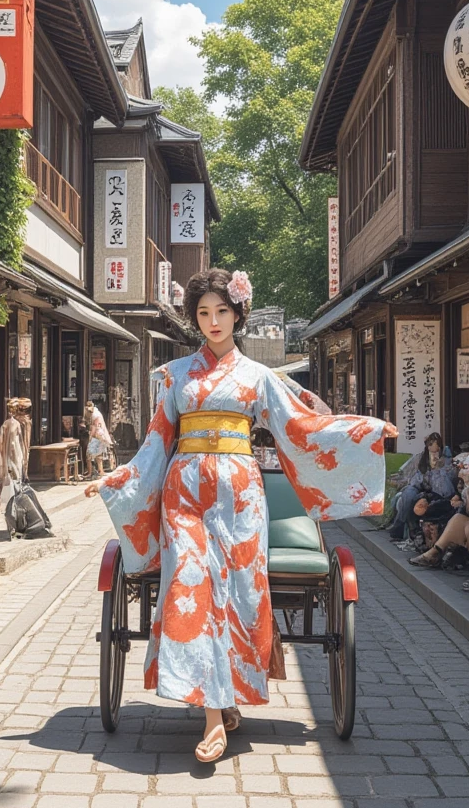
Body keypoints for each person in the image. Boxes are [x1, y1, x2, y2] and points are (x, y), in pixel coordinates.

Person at [85, 267, 396, 764]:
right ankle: (212, 714)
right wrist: (117, 478)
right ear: (195, 318)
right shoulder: (175, 375)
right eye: (203, 313)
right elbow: (156, 441)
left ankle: (226, 695)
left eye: (221, 311)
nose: (212, 321)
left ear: (238, 315)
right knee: (192, 586)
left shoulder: (259, 377)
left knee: (242, 591)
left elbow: (303, 425)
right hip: (183, 494)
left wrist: (364, 430)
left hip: (241, 495)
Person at [388, 432, 457, 547]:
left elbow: (445, 489)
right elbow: (416, 479)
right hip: (421, 487)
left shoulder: (446, 462)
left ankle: (413, 530)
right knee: (409, 494)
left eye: (436, 450)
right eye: (431, 450)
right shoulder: (422, 458)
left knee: (418, 500)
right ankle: (400, 527)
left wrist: (438, 469)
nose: (434, 453)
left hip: (437, 492)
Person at [84, 400, 113, 479]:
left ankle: (90, 472)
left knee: (89, 455)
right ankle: (101, 471)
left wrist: (90, 437)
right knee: (99, 455)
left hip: (97, 436)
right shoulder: (98, 413)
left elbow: (94, 428)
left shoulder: (94, 416)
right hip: (101, 436)